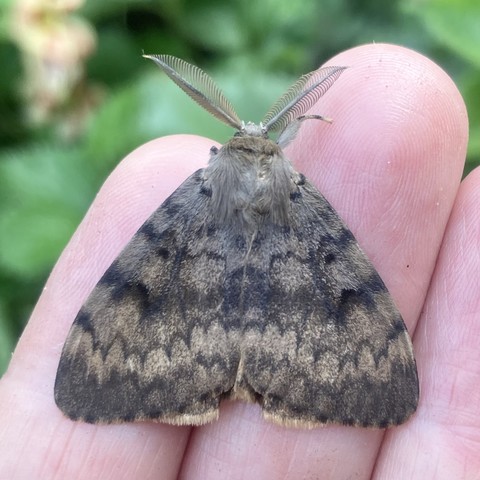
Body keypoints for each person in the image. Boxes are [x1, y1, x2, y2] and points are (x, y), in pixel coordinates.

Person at [0, 44, 477, 479]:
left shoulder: (199, 189)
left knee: (141, 284)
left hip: (198, 287)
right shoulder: (297, 192)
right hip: (297, 299)